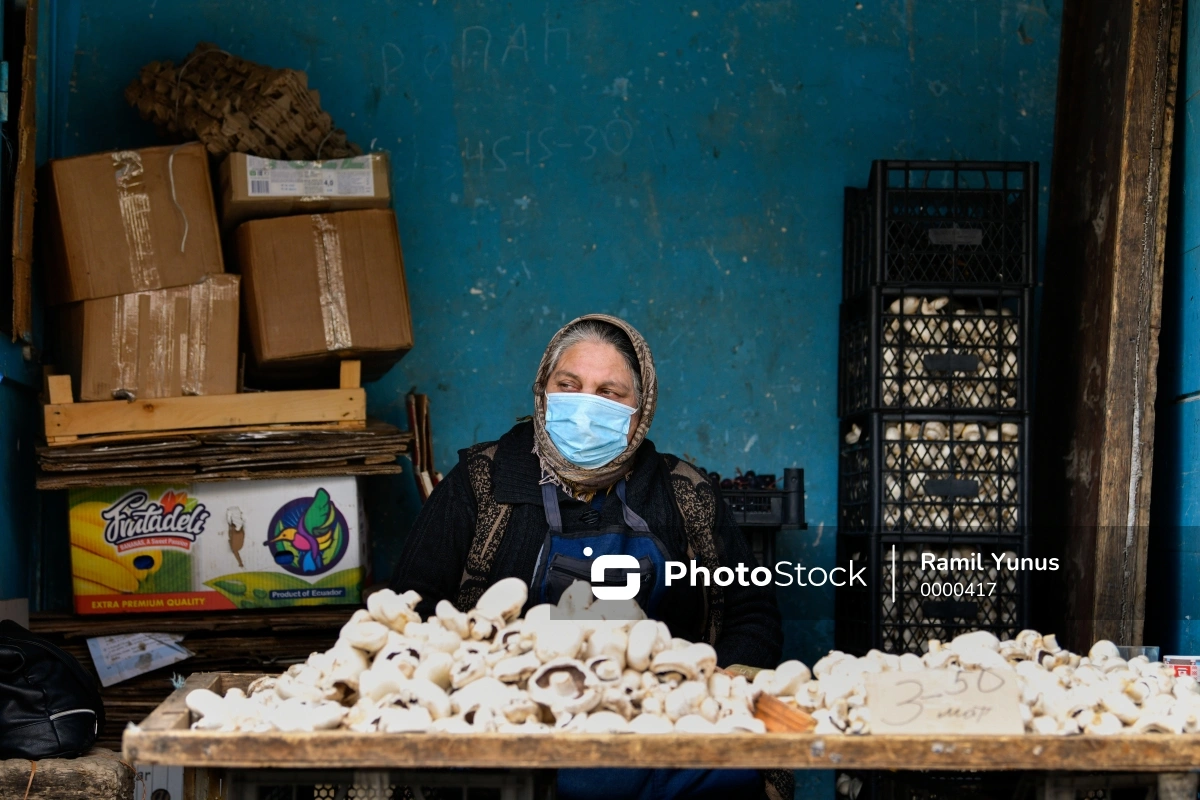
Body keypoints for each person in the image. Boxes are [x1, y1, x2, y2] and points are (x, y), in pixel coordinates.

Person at [392, 314, 788, 800]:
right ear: (543, 390)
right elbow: (410, 607)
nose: (585, 406)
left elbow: (753, 613)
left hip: (659, 730)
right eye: (569, 385)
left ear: (639, 410)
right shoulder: (482, 483)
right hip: (514, 727)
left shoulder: (686, 494)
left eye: (609, 393)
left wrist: (715, 687)